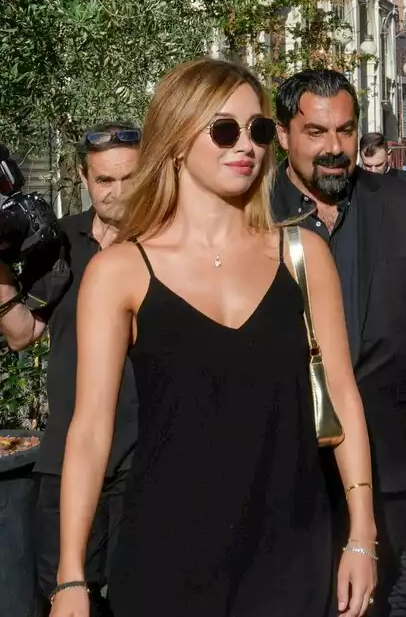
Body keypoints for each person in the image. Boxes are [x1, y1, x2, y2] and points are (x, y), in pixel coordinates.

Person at [51, 58, 378, 617]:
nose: (245, 145)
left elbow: (343, 398)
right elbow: (88, 431)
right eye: (224, 129)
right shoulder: (121, 271)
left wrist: (361, 536)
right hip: (165, 558)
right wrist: (71, 578)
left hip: (290, 550)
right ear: (177, 139)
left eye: (256, 130)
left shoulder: (302, 256)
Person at [271, 69, 406, 617]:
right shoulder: (252, 214)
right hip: (283, 457)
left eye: (345, 131)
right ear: (284, 135)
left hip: (387, 455)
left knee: (370, 602)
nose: (334, 148)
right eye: (316, 132)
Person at [0, 123, 140, 616]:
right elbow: (23, 333)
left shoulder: (164, 245)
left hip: (144, 461)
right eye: (105, 181)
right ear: (84, 177)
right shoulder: (61, 242)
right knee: (59, 595)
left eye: (130, 178)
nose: (118, 193)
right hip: (65, 460)